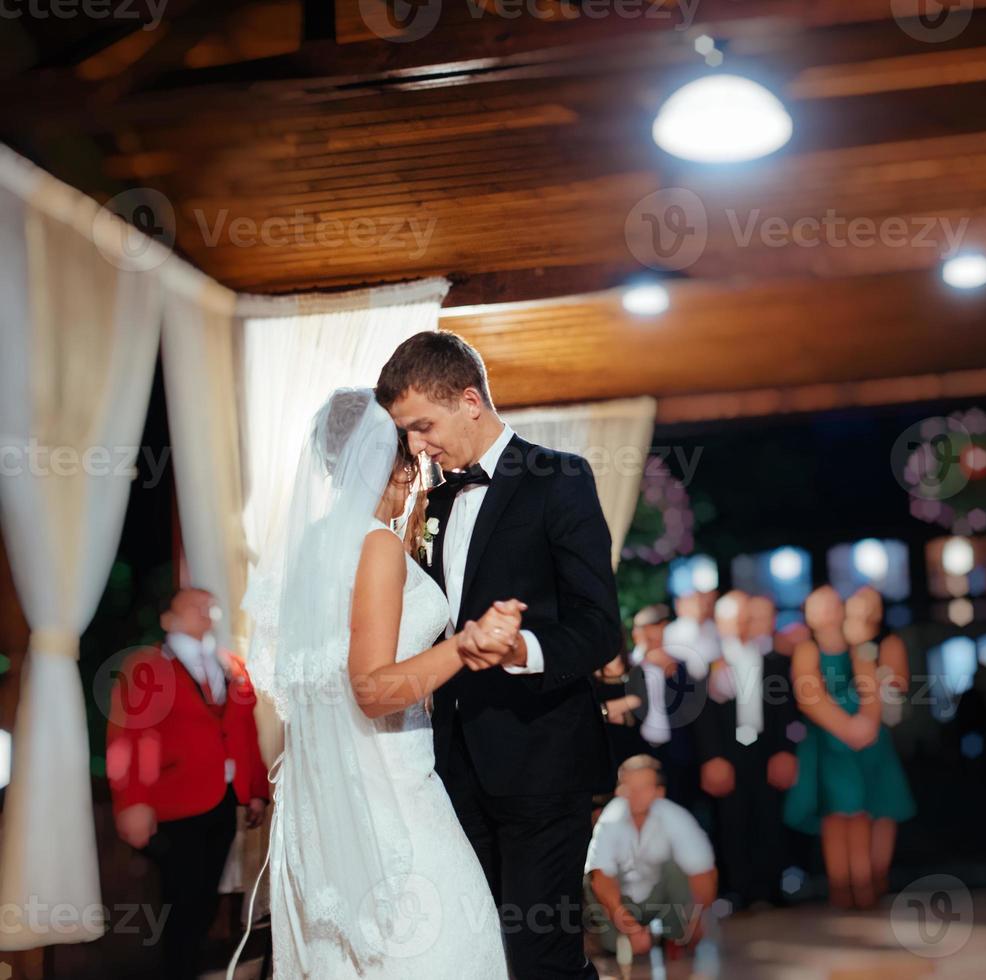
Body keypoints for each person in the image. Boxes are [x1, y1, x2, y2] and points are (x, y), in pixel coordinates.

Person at [239, 388, 509, 978]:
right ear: (393, 462)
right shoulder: (376, 545)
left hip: (323, 795)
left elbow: (274, 698)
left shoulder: (304, 550)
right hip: (392, 793)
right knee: (446, 943)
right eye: (409, 449)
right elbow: (372, 686)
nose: (420, 461)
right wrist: (464, 645)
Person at [377, 332, 622, 980]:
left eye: (423, 426)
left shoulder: (560, 477)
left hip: (543, 761)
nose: (416, 447)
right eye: (407, 433)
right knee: (480, 955)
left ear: (469, 400)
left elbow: (600, 628)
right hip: (452, 768)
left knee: (540, 959)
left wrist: (523, 648)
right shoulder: (434, 502)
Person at [107, 588, 270, 980]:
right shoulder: (145, 666)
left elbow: (245, 732)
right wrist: (132, 802)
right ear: (167, 618)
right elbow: (127, 736)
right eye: (192, 602)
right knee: (179, 903)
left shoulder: (231, 665)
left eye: (209, 602)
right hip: (174, 801)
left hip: (223, 800)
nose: (204, 608)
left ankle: (190, 969)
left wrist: (256, 791)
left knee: (204, 901)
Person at [784, 585, 915, 909]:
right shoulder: (807, 649)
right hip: (831, 742)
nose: (828, 612)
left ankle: (866, 882)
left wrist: (867, 722)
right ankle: (842, 886)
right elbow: (809, 696)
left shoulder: (858, 646)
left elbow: (870, 684)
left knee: (863, 811)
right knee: (837, 813)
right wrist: (846, 728)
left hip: (865, 736)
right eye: (820, 607)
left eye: (832, 605)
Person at [694, 593, 799, 908]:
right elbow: (702, 716)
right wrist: (712, 757)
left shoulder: (774, 662)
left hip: (766, 752)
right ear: (720, 622)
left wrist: (785, 751)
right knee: (731, 821)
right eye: (733, 617)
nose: (740, 624)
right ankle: (736, 889)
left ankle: (770, 888)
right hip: (727, 753)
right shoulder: (707, 663)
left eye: (745, 617)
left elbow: (786, 712)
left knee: (769, 818)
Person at [585, 755, 718, 957]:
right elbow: (602, 880)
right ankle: (617, 941)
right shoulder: (610, 821)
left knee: (677, 868)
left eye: (643, 787)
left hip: (659, 897)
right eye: (628, 787)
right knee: (591, 879)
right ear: (619, 790)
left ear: (659, 792)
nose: (635, 795)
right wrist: (631, 928)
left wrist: (696, 922)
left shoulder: (677, 818)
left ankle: (675, 936)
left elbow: (703, 872)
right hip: (621, 902)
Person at [842, 585, 910, 897]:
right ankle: (855, 879)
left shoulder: (888, 641)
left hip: (878, 732)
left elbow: (898, 682)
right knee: (850, 808)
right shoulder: (837, 643)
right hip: (842, 736)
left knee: (883, 806)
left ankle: (877, 875)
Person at [626, 603, 702, 807]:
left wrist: (674, 674)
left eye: (654, 627)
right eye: (641, 628)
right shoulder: (627, 667)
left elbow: (695, 710)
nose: (648, 634)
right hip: (637, 753)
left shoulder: (682, 667)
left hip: (675, 755)